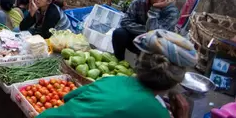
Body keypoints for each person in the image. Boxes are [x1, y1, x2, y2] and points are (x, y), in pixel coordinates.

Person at [40, 29, 195, 118]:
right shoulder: (158, 113)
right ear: (176, 80)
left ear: (138, 64)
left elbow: (68, 97)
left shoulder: (113, 81)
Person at [112, 0, 179, 61]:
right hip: (137, 39)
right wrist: (147, 31)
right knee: (119, 33)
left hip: (158, 47)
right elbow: (125, 21)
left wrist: (155, 9)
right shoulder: (140, 0)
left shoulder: (172, 12)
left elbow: (157, 36)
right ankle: (119, 62)